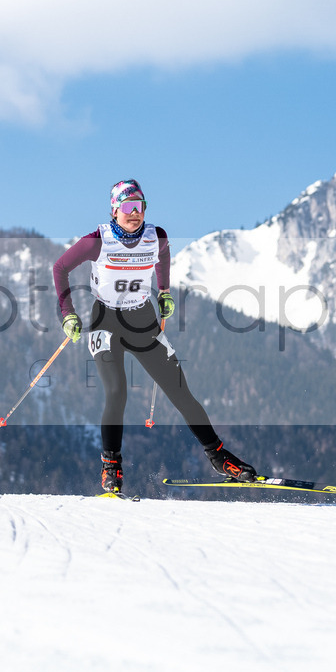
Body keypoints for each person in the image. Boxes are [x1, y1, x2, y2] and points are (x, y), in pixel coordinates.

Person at [52, 179, 256, 493]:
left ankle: (218, 456)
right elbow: (60, 267)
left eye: (140, 206)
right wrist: (67, 312)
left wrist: (163, 292)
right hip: (105, 320)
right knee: (117, 392)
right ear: (115, 210)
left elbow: (162, 257)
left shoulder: (155, 236)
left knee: (179, 390)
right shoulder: (97, 240)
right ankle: (111, 467)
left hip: (142, 319)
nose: (135, 213)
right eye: (128, 206)